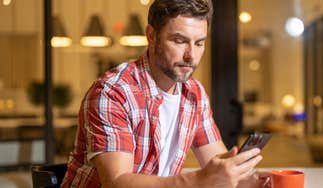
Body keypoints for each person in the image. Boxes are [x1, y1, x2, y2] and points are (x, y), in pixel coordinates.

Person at [61, 0, 268, 187]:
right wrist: (198, 180)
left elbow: (218, 163)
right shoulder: (113, 92)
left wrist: (247, 181)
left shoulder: (194, 93)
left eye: (199, 43)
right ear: (151, 36)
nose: (191, 56)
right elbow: (117, 183)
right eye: (179, 41)